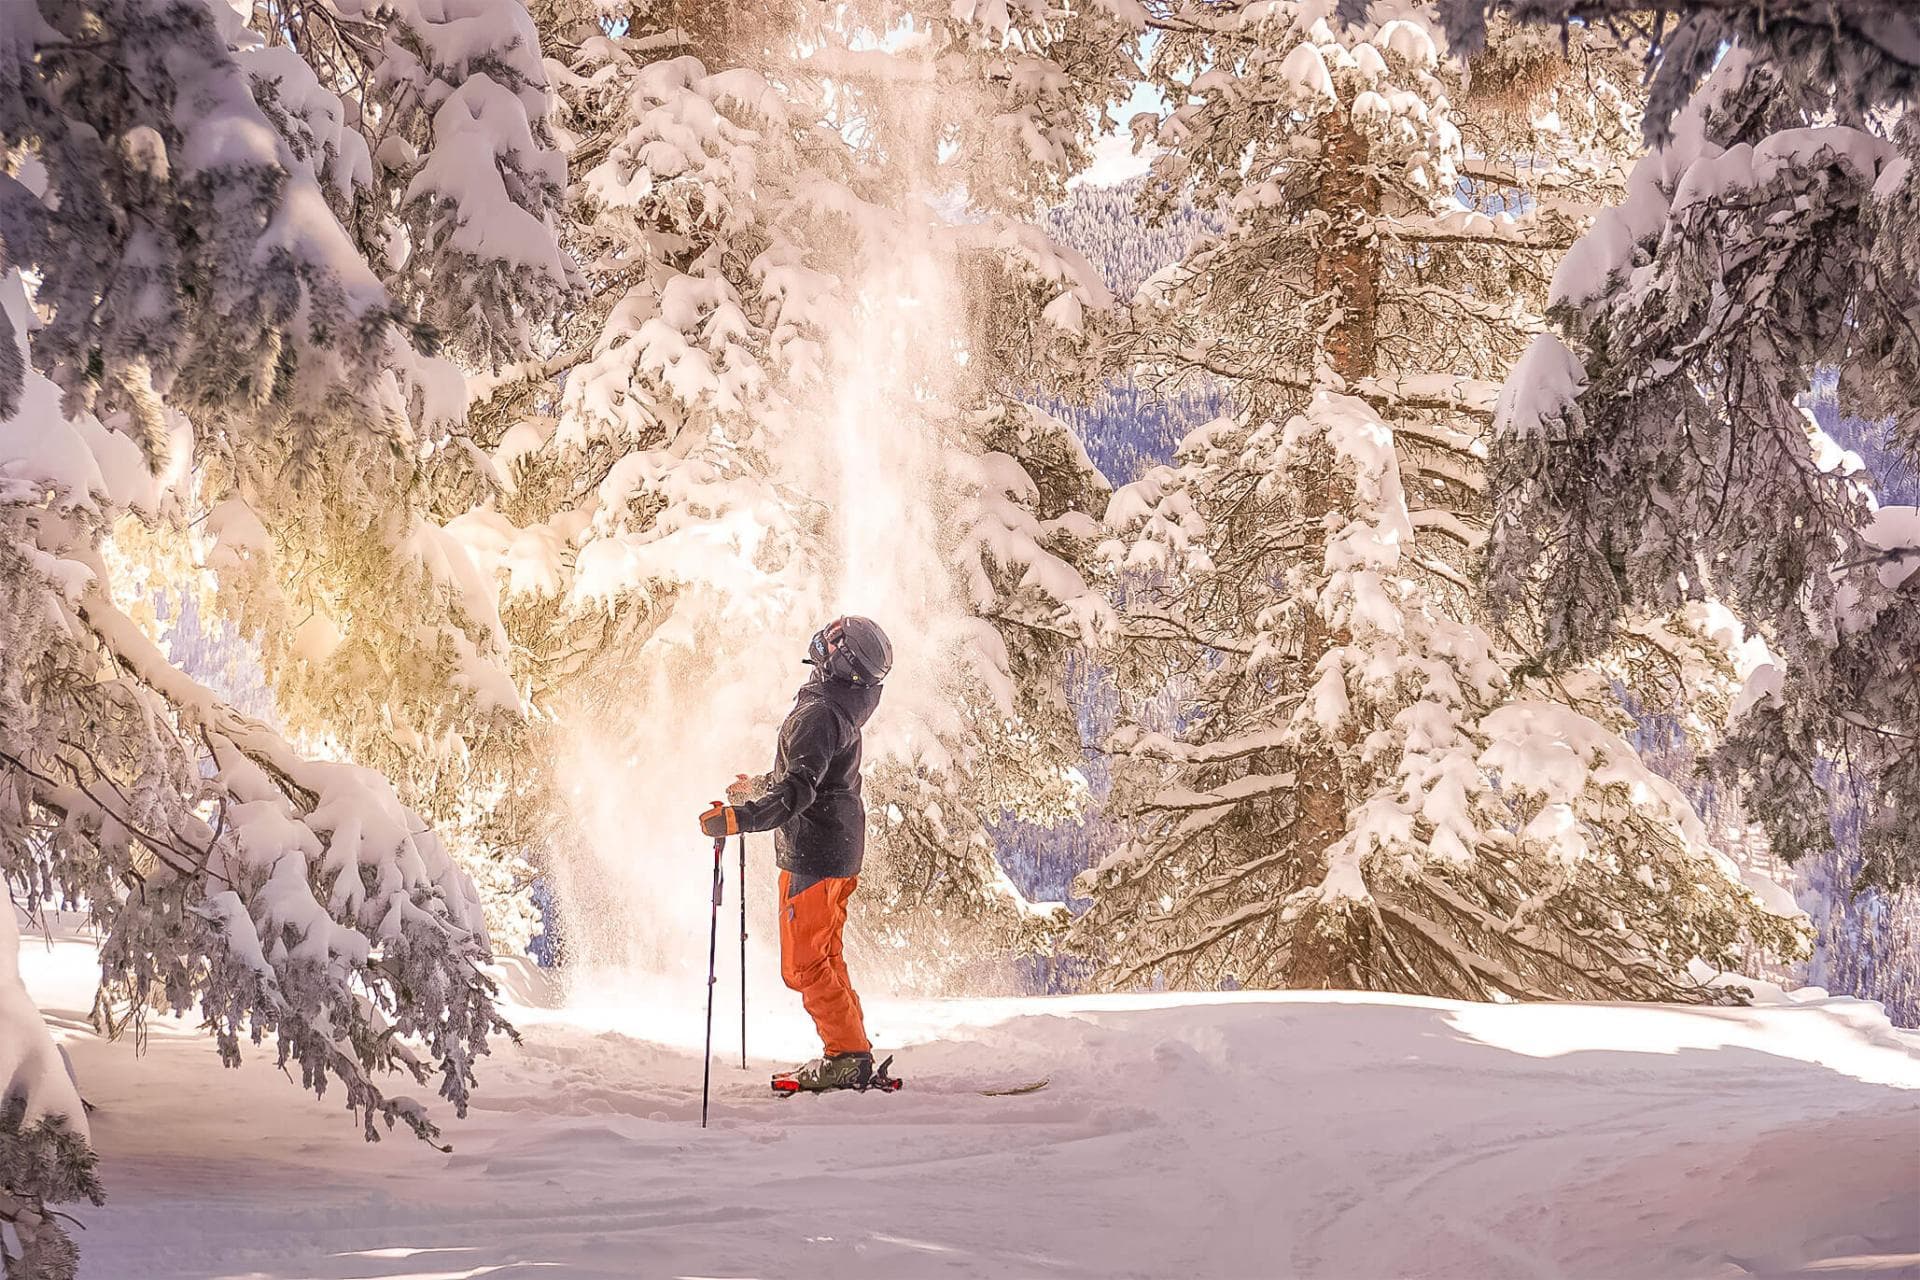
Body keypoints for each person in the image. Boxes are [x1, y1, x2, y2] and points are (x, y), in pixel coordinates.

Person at [698, 616, 892, 1091]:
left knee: (804, 965)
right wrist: (757, 790)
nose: (824, 640)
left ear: (844, 662)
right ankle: (853, 1050)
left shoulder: (819, 714)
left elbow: (799, 790)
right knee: (825, 954)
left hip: (817, 852)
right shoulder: (838, 706)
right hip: (837, 846)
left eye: (834, 640)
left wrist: (743, 818)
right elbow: (812, 777)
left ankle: (847, 1055)